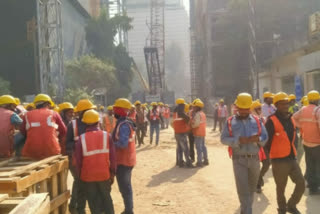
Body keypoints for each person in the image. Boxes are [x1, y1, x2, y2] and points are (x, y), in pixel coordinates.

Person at [221, 93, 268, 214]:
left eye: (246, 109)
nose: (243, 111)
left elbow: (265, 136)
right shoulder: (230, 121)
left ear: (249, 108)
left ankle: (245, 209)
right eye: (240, 109)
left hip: (254, 160)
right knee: (243, 189)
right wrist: (237, 141)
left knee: (252, 188)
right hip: (239, 160)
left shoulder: (257, 121)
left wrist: (258, 139)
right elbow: (223, 139)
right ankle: (247, 210)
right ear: (237, 107)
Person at [265, 92, 305, 214]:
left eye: (287, 103)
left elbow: (294, 137)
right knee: (281, 188)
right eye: (282, 104)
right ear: (276, 105)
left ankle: (291, 205)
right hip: (278, 160)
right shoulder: (271, 121)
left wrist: (295, 154)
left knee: (301, 184)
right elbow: (267, 142)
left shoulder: (291, 118)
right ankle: (282, 209)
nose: (286, 106)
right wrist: (269, 158)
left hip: (291, 158)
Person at [75, 110, 116, 214]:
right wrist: (112, 173)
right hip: (104, 174)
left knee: (93, 202)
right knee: (107, 199)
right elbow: (113, 158)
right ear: (98, 122)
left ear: (85, 123)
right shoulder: (107, 136)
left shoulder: (81, 139)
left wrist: (80, 176)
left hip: (88, 176)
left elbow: (78, 162)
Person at [66, 99, 96, 214]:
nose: (91, 112)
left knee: (85, 184)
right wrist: (79, 145)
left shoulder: (94, 122)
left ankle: (75, 206)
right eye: (89, 110)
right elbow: (68, 144)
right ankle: (78, 208)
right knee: (80, 183)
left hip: (91, 160)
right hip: (77, 160)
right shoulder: (72, 125)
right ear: (82, 112)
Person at [20, 94, 66, 160]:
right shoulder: (54, 113)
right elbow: (64, 131)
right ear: (46, 104)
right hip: (52, 150)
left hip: (31, 152)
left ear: (36, 104)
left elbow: (23, 132)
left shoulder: (27, 115)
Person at [293, 90, 320, 195]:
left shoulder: (303, 109)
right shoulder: (318, 110)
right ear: (317, 99)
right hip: (317, 144)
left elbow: (293, 118)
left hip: (306, 142)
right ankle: (316, 187)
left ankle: (312, 187)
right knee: (318, 166)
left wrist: (301, 126)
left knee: (310, 165)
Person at [112, 98, 136, 214]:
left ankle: (129, 210)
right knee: (125, 187)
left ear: (120, 111)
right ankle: (128, 209)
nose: (113, 112)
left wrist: (110, 144)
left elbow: (123, 144)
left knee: (125, 187)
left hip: (124, 161)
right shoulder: (126, 122)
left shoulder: (124, 125)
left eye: (115, 110)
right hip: (127, 159)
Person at [250, 100, 270, 193]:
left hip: (264, 145)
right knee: (256, 166)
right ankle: (257, 184)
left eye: (260, 108)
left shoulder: (264, 119)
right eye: (257, 108)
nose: (260, 110)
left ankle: (259, 177)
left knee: (267, 164)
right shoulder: (250, 120)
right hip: (255, 146)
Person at [172, 98, 193, 168]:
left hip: (176, 133)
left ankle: (180, 162)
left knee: (179, 149)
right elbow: (188, 119)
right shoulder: (181, 113)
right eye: (183, 105)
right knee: (186, 149)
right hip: (182, 133)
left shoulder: (175, 113)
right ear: (182, 106)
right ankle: (188, 163)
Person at [191, 100, 209, 167]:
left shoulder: (198, 114)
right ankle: (206, 160)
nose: (193, 108)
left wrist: (191, 126)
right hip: (203, 132)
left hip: (198, 132)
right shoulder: (203, 114)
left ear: (198, 107)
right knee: (203, 146)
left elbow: (196, 124)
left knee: (198, 147)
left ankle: (199, 162)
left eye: (195, 107)